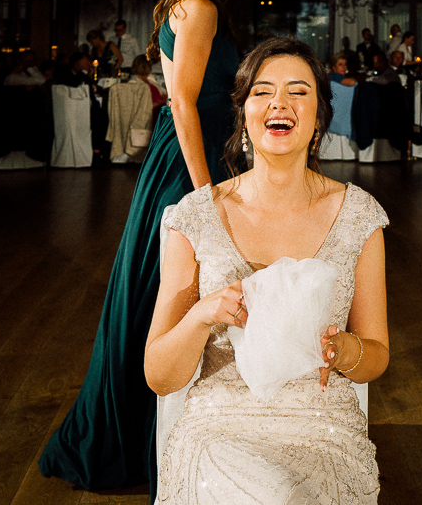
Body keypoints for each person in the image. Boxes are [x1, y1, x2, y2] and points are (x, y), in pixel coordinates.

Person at [39, 0, 247, 495]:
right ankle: (163, 442)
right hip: (189, 162)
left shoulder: (189, 5)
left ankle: (152, 436)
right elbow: (183, 103)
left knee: (163, 293)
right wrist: (205, 193)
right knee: (177, 294)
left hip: (183, 156)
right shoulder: (199, 8)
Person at [146, 36, 389, 504]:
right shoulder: (196, 216)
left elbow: (376, 357)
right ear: (244, 114)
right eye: (263, 91)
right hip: (218, 427)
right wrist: (202, 315)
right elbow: (159, 375)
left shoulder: (358, 216)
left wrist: (345, 350)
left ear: (318, 118)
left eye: (298, 92)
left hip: (321, 428)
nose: (280, 102)